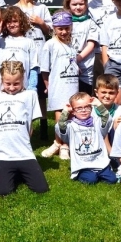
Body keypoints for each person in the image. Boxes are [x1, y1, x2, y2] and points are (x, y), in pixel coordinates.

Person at [0, 60, 47, 196]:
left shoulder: (30, 95)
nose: (12, 88)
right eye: (8, 83)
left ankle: (19, 171)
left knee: (41, 188)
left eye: (16, 83)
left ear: (23, 78)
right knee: (4, 191)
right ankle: (9, 172)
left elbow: (30, 125)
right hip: (1, 154)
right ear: (1, 79)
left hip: (24, 152)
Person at [40, 11, 80, 159]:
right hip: (57, 85)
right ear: (54, 28)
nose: (64, 31)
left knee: (70, 115)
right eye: (60, 28)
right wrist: (47, 85)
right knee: (60, 114)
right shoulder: (49, 45)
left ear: (71, 27)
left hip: (72, 84)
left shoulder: (72, 44)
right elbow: (45, 69)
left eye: (66, 28)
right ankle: (58, 142)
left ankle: (66, 144)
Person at [55, 92, 115, 184]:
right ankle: (83, 174)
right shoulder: (71, 125)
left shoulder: (97, 122)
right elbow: (60, 127)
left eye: (87, 107)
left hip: (99, 161)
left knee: (112, 179)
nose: (83, 110)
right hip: (83, 164)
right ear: (73, 111)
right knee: (91, 180)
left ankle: (100, 172)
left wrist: (99, 104)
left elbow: (107, 119)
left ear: (91, 108)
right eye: (79, 108)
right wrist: (65, 111)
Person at [0, 5, 39, 91]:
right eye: (9, 22)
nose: (12, 25)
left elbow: (33, 67)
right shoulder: (0, 40)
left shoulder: (29, 42)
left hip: (22, 89)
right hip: (2, 89)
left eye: (15, 21)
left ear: (22, 22)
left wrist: (32, 88)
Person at [63, 0, 100, 96]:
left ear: (86, 4)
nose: (78, 7)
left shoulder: (91, 23)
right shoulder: (64, 23)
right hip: (68, 67)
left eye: (81, 4)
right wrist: (71, 62)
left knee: (86, 97)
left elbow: (91, 45)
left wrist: (76, 60)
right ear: (68, 5)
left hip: (87, 69)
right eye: (74, 4)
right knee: (70, 98)